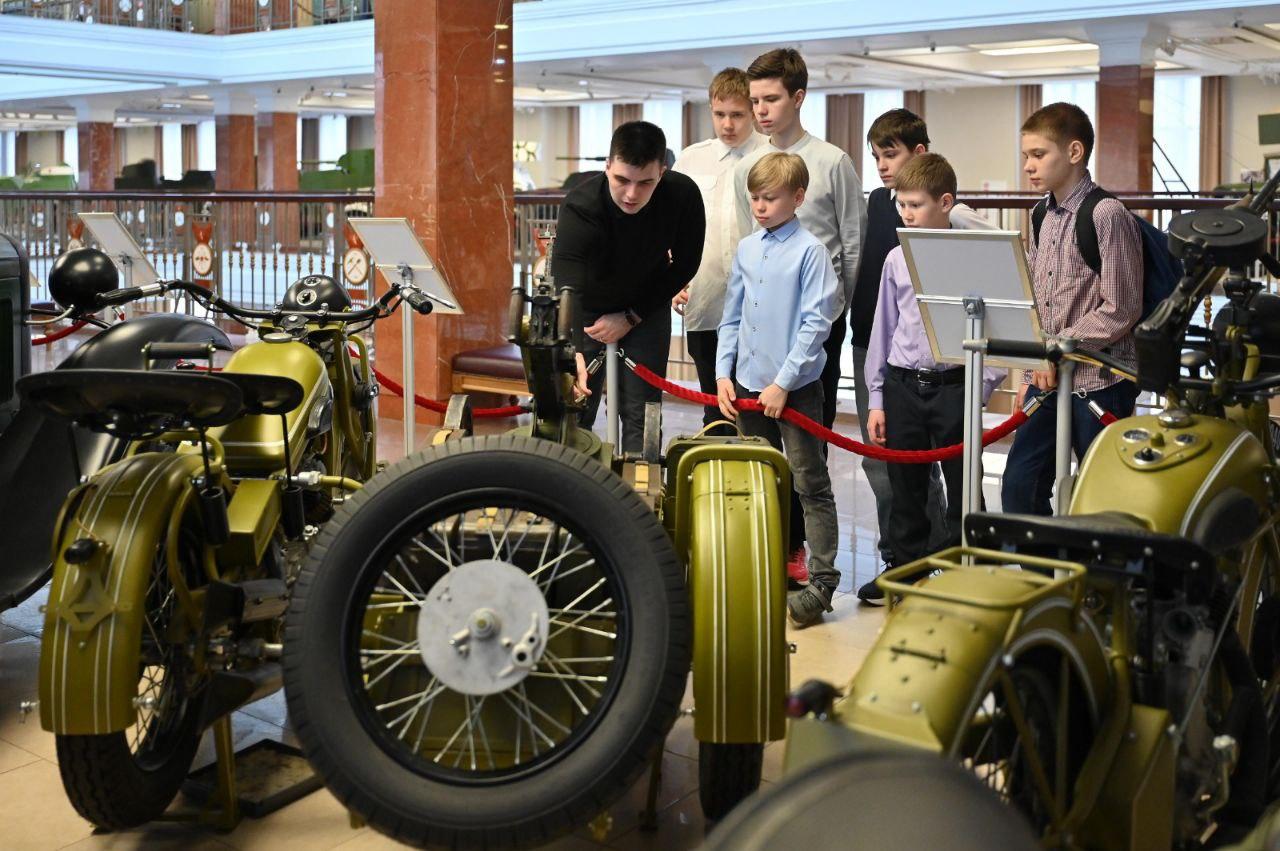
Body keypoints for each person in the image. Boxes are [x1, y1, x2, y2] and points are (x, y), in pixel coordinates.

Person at [733, 47, 865, 582]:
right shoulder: (749, 166)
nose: (761, 110)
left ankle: (812, 557)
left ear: (798, 97)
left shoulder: (832, 161)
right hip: (765, 333)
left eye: (770, 99)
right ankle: (778, 551)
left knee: (808, 450)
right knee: (762, 451)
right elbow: (753, 245)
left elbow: (852, 245)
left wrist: (834, 319)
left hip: (817, 331)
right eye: (755, 100)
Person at [851, 109, 992, 598]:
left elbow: (993, 323)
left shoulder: (974, 252)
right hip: (902, 386)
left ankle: (965, 576)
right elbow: (882, 330)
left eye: (914, 205)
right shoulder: (896, 258)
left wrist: (983, 385)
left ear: (945, 203)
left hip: (955, 386)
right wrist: (875, 398)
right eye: (901, 205)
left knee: (963, 487)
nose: (905, 213)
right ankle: (905, 573)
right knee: (905, 489)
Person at [716, 152, 840, 628]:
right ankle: (763, 569)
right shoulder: (748, 248)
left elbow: (815, 325)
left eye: (770, 198)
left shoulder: (811, 251)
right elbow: (732, 315)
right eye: (755, 198)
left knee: (811, 484)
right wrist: (723, 374)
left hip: (796, 389)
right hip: (746, 384)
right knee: (758, 484)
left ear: (798, 198)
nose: (760, 206)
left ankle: (823, 582)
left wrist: (783, 382)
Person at [1001, 103, 1142, 516]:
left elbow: (1121, 308)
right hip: (1048, 381)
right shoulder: (1040, 213)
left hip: (1100, 381)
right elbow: (1037, 300)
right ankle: (1044, 579)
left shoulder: (1107, 214)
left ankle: (1096, 580)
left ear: (1075, 152)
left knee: (1098, 499)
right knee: (1020, 488)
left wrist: (1057, 348)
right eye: (1025, 155)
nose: (1028, 165)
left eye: (1038, 154)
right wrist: (1029, 374)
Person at [553, 120, 706, 453]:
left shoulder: (683, 195)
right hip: (586, 311)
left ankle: (638, 497)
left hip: (646, 306)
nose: (632, 194)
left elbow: (685, 264)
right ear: (607, 166)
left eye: (646, 182)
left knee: (641, 413)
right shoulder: (581, 206)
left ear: (662, 173)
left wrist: (631, 317)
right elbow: (567, 284)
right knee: (575, 411)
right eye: (622, 180)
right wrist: (573, 349)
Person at [672, 68, 769, 433]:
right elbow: (673, 229)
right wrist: (673, 279)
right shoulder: (690, 160)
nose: (727, 124)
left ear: (753, 111)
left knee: (757, 413)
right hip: (706, 302)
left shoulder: (771, 155)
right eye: (719, 114)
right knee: (714, 410)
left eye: (737, 114)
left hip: (759, 306)